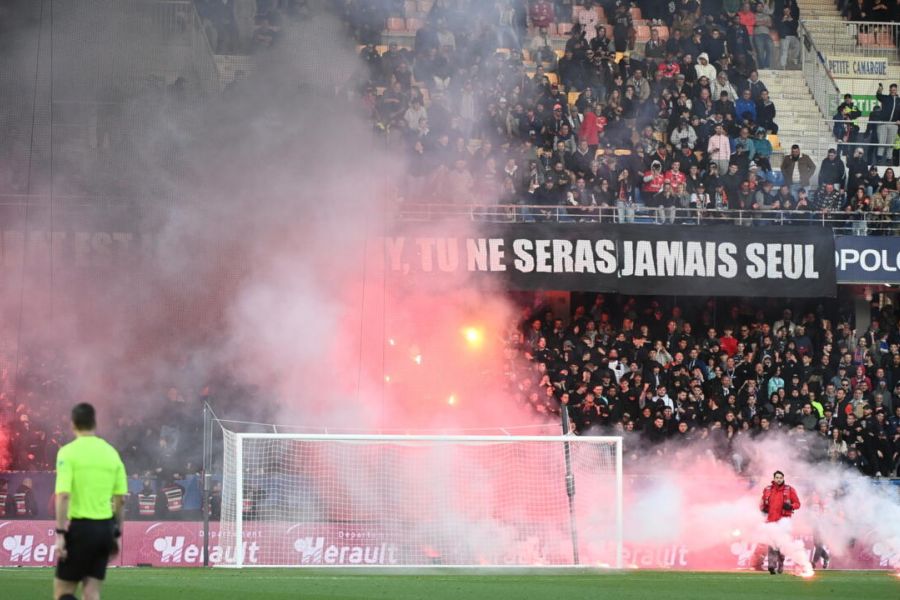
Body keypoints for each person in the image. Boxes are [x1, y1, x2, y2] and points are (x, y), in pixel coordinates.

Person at [54, 403, 128, 600]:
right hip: (105, 530)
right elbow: (120, 500)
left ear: (72, 424)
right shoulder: (111, 453)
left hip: (81, 529)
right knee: (91, 593)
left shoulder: (68, 452)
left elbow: (63, 495)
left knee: (63, 591)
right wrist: (117, 533)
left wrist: (60, 533)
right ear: (95, 423)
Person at [760, 470, 801, 575]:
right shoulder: (767, 489)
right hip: (771, 521)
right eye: (777, 477)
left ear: (783, 478)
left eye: (780, 478)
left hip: (784, 521)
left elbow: (798, 504)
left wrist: (791, 506)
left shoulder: (789, 489)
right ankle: (771, 565)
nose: (778, 479)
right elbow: (762, 503)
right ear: (774, 478)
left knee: (781, 544)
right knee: (772, 543)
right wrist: (763, 509)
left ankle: (781, 563)